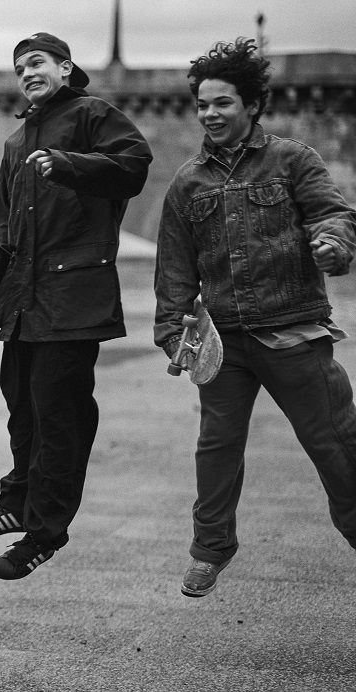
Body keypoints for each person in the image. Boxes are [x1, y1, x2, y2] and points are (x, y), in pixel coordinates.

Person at [154, 38, 356, 597]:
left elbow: (333, 215)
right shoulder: (186, 183)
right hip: (224, 343)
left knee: (335, 443)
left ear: (250, 106)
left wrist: (332, 245)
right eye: (202, 104)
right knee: (216, 446)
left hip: (292, 331)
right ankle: (211, 547)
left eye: (222, 103)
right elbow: (174, 267)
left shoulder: (293, 159)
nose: (210, 113)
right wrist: (173, 332)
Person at [0, 33, 152, 580]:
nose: (27, 73)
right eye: (20, 68)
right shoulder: (17, 140)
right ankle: (18, 501)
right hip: (22, 300)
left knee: (59, 415)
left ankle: (46, 530)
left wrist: (68, 164)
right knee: (21, 404)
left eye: (37, 63)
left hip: (73, 298)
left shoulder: (93, 114)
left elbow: (134, 168)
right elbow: (1, 223)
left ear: (65, 67)